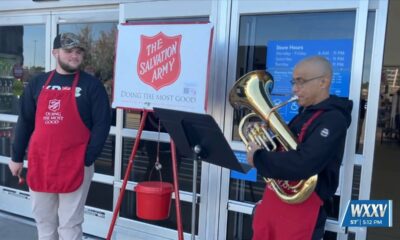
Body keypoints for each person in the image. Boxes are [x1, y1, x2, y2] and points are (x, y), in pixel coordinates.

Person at [8, 32, 111, 240]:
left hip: (75, 165)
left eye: (78, 52)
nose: (74, 56)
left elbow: (102, 125)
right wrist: (16, 157)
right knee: (44, 223)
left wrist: (87, 158)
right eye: (68, 51)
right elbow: (25, 121)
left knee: (70, 226)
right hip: (41, 162)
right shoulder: (38, 83)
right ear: (55, 52)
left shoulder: (92, 86)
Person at [247, 56, 352, 240]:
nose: (294, 89)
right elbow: (286, 151)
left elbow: (305, 162)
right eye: (293, 82)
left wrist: (259, 158)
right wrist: (264, 138)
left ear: (323, 82)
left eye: (301, 82)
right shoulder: (303, 114)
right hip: (277, 201)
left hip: (304, 208)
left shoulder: (333, 119)